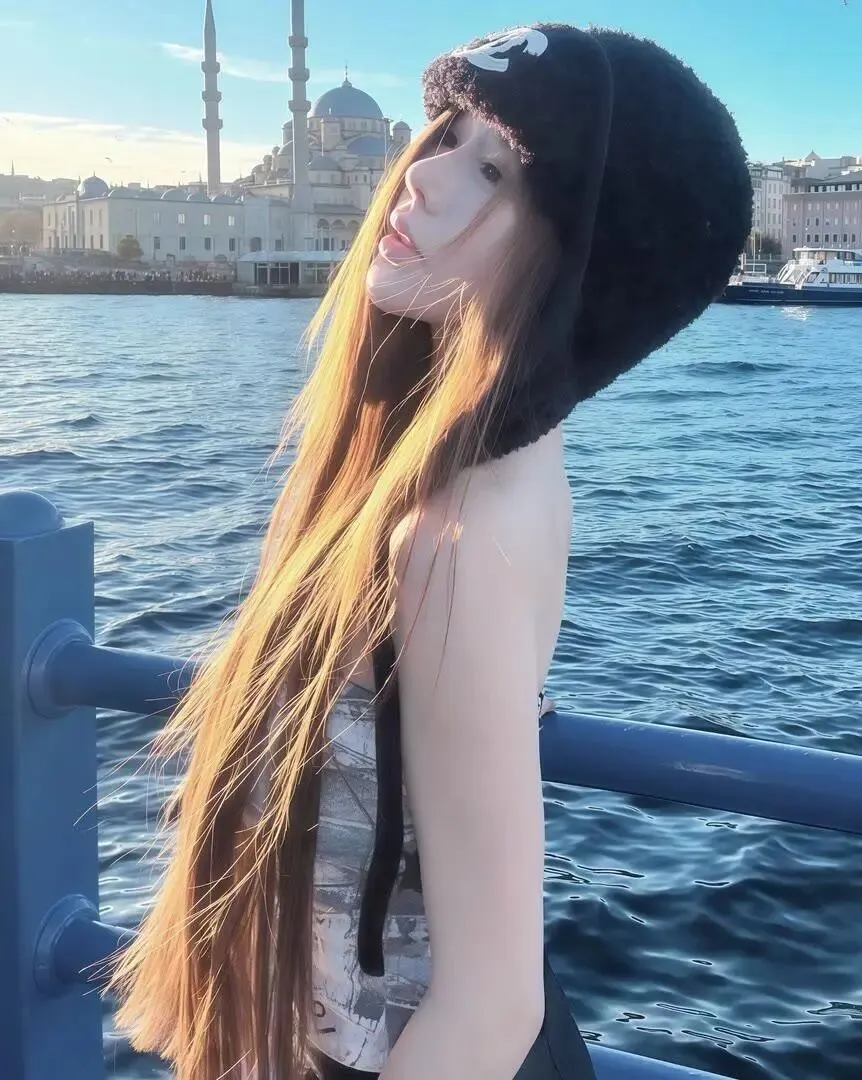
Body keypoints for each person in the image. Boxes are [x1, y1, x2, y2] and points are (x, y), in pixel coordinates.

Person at [108, 22, 751, 1080]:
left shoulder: (454, 539)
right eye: (446, 134)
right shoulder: (484, 475)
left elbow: (491, 1009)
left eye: (494, 169)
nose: (421, 177)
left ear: (584, 268)